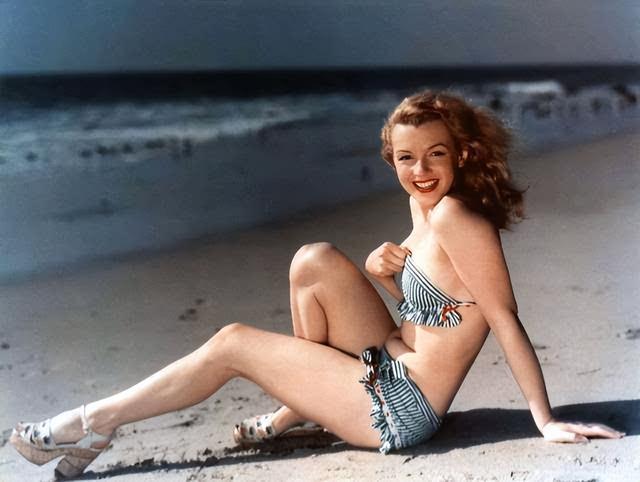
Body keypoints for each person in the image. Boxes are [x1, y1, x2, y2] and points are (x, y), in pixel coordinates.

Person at [10, 90, 624, 478]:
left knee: (231, 343)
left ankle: (92, 421)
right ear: (391, 160)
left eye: (436, 154)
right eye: (406, 158)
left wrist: (545, 419)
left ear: (460, 154)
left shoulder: (457, 217)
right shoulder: (424, 208)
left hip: (400, 409)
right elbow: (441, 317)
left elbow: (502, 317)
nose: (421, 170)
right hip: (391, 363)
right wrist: (390, 278)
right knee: (315, 259)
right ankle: (301, 406)